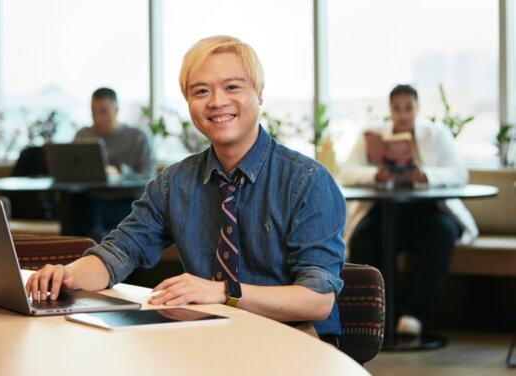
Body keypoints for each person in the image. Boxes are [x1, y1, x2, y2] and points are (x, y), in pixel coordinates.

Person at [26, 35, 346, 340]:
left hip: (295, 342)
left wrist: (223, 292)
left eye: (232, 86)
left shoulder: (306, 180)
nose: (217, 102)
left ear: (259, 93)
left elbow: (318, 301)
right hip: (212, 339)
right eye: (201, 91)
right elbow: (119, 252)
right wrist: (65, 276)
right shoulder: (174, 182)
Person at [339, 84, 478, 336]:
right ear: (390, 110)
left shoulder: (437, 134)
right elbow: (346, 172)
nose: (402, 115)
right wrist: (374, 174)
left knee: (442, 232)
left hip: (430, 212)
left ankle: (415, 316)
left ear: (417, 108)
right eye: (397, 109)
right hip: (386, 213)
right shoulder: (372, 136)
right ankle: (380, 316)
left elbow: (460, 173)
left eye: (408, 108)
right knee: (364, 237)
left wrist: (426, 174)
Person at [71, 88, 156, 241]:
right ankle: (83, 249)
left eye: (103, 112)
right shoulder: (83, 135)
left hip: (126, 203)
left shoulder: (138, 137)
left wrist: (119, 171)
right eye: (93, 112)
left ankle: (94, 246)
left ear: (116, 111)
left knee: (86, 211)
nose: (97, 118)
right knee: (74, 202)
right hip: (92, 200)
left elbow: (148, 179)